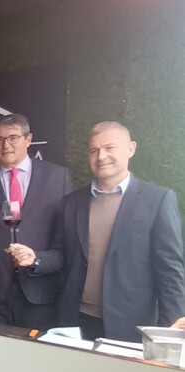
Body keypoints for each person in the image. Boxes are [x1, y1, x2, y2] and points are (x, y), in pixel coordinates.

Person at [59, 121, 185, 342]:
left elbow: (170, 270)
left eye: (110, 148)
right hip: (77, 320)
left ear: (131, 149)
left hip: (132, 325)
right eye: (94, 150)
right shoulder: (72, 202)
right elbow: (64, 258)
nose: (101, 156)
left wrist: (172, 327)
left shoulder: (157, 200)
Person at [0, 114, 73, 330]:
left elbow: (68, 241)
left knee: (34, 352)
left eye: (13, 138)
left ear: (28, 140)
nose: (5, 145)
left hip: (40, 295)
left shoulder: (58, 178)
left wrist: (37, 259)